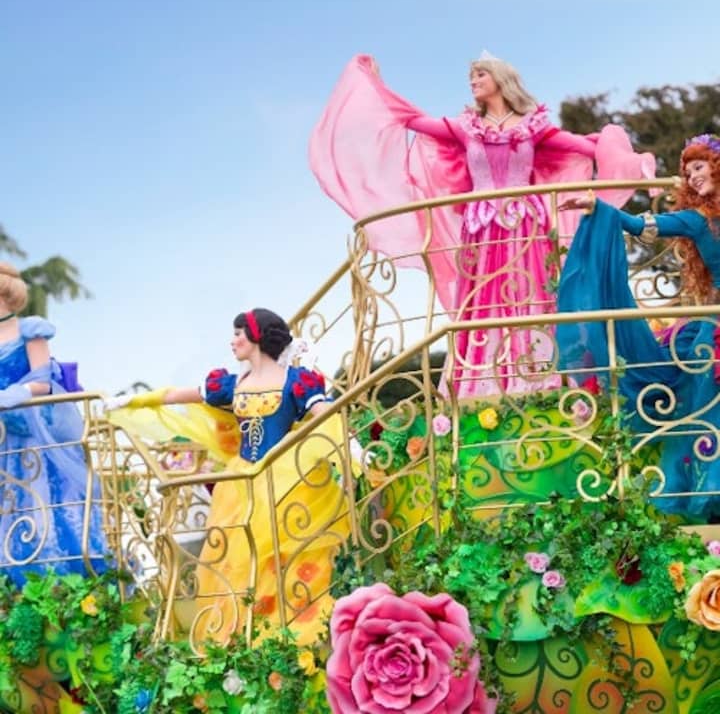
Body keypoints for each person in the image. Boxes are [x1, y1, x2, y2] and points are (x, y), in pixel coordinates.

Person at [310, 53, 655, 398]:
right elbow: (412, 120)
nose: (473, 81)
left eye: (480, 75)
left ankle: (542, 379)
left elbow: (584, 147)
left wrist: (629, 160)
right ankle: (481, 386)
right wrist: (376, 86)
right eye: (471, 77)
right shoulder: (466, 128)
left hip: (526, 225)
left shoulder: (533, 127)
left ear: (500, 79)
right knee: (482, 302)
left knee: (532, 296)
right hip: (482, 228)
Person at [108, 308, 348, 643]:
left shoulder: (296, 382)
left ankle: (286, 633)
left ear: (257, 336)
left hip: (284, 481)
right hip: (238, 485)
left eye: (238, 334)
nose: (233, 341)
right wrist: (134, 401)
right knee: (236, 559)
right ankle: (240, 634)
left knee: (281, 555)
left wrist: (352, 449)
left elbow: (327, 416)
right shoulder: (232, 385)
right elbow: (178, 395)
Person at [556, 133, 720, 520]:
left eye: (699, 167)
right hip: (715, 327)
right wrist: (598, 207)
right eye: (688, 173)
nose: (693, 177)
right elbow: (640, 223)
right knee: (709, 409)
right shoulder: (697, 220)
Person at [0, 262, 107, 585]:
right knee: (9, 509)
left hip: (33, 433)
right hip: (3, 436)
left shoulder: (30, 329)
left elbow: (42, 382)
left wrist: (9, 395)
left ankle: (61, 585)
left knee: (44, 502)